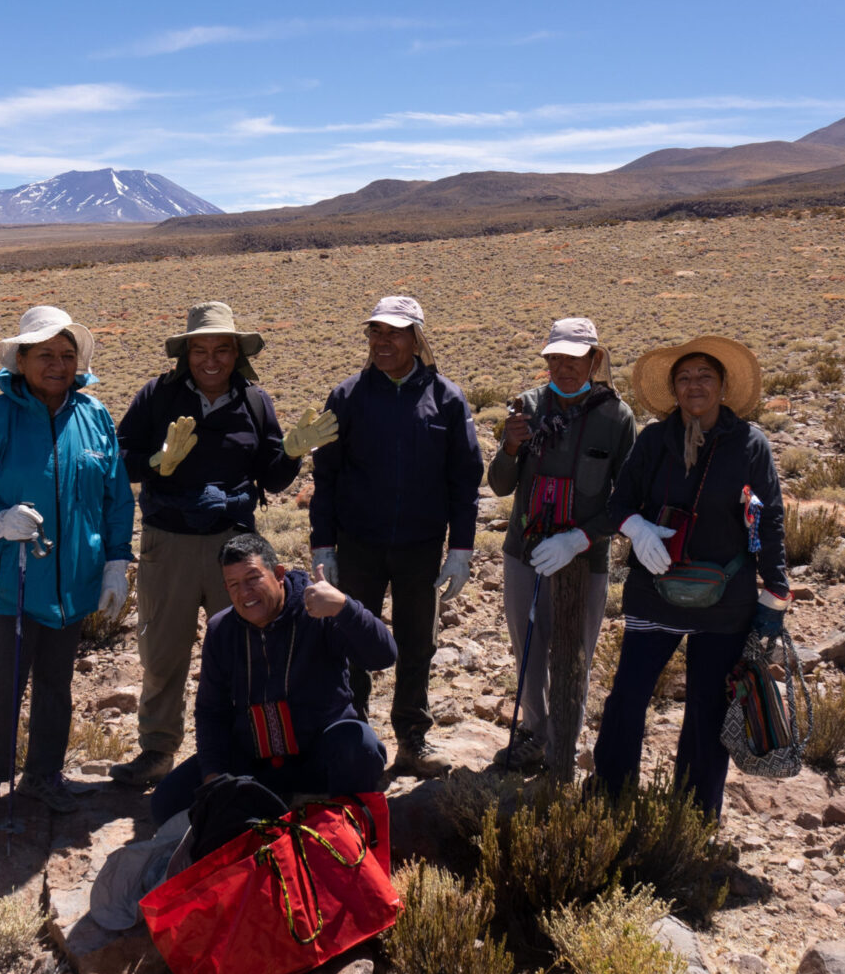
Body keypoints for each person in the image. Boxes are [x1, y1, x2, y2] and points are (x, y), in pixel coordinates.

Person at [110, 302, 339, 787]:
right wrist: (157, 462)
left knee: (245, 648)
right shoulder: (156, 396)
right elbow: (120, 457)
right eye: (200, 349)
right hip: (167, 541)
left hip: (233, 547)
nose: (210, 359)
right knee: (163, 650)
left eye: (221, 349)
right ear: (185, 353)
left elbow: (273, 478)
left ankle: (245, 751)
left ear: (237, 353)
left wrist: (295, 453)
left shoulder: (255, 402)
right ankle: (156, 751)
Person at [0, 306, 135, 822]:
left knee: (57, 685)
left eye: (67, 355)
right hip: (9, 581)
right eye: (45, 354)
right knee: (2, 684)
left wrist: (117, 561)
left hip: (74, 580)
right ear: (21, 360)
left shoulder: (93, 416)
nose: (57, 364)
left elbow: (116, 496)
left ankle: (43, 775)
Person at [590, 335, 789, 819]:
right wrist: (636, 529)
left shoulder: (749, 445)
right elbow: (618, 503)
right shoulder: (654, 441)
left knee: (708, 709)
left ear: (723, 386)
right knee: (628, 699)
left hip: (726, 602)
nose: (694, 385)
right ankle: (608, 803)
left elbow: (770, 519)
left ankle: (695, 817)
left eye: (705, 376)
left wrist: (775, 593)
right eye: (684, 377)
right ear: (673, 389)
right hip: (653, 592)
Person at [307, 296, 483, 778]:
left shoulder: (446, 398)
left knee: (416, 643)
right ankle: (352, 733)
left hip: (420, 548)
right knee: (350, 638)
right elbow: (327, 476)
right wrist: (324, 545)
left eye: (395, 333)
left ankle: (412, 737)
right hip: (358, 544)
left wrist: (461, 550)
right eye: (375, 333)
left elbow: (464, 480)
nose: (383, 343)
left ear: (417, 338)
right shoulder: (347, 396)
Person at [150, 531, 395, 823]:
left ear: (279, 574)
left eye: (253, 578)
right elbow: (211, 712)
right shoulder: (222, 630)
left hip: (317, 755)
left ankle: (342, 829)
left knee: (361, 748)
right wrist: (213, 777)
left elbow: (383, 656)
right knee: (167, 802)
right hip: (254, 762)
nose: (245, 593)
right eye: (233, 585)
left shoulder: (318, 609)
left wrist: (344, 608)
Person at [486, 318, 636, 775]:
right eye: (555, 359)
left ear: (595, 359)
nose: (563, 368)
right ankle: (534, 732)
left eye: (574, 359)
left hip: (586, 558)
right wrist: (509, 448)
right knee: (528, 645)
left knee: (576, 652)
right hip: (525, 553)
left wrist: (582, 538)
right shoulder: (526, 409)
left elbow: (627, 499)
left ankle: (565, 740)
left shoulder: (616, 418)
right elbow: (499, 485)